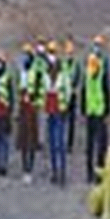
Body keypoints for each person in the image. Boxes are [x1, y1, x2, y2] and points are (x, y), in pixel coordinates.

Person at [80, 34, 110, 183]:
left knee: (90, 143)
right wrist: (107, 108)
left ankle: (88, 173)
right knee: (100, 144)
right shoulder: (102, 65)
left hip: (90, 109)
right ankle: (98, 173)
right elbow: (105, 89)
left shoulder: (88, 66)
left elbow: (84, 88)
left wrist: (83, 106)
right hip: (98, 109)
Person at [44, 40, 71, 186]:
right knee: (52, 143)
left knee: (59, 142)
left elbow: (66, 89)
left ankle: (62, 173)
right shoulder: (45, 70)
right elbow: (43, 87)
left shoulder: (63, 70)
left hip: (59, 109)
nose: (51, 55)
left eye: (53, 52)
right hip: (50, 108)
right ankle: (54, 172)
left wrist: (64, 105)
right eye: (50, 52)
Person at [16, 43, 38, 185]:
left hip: (32, 108)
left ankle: (30, 169)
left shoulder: (35, 72)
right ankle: (25, 168)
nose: (24, 57)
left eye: (27, 54)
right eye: (23, 54)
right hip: (23, 108)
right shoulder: (21, 72)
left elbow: (39, 88)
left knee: (31, 139)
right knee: (23, 139)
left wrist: (32, 97)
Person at [63, 35, 81, 153]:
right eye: (68, 51)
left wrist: (73, 87)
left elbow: (78, 78)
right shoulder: (63, 63)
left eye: (71, 51)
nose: (69, 53)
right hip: (64, 96)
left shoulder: (76, 64)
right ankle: (63, 142)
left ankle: (70, 144)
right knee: (63, 121)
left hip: (72, 95)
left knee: (71, 122)